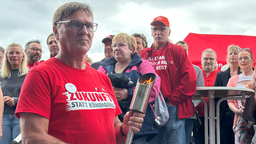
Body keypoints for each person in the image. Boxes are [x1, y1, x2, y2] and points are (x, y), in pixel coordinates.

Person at [15, 2, 144, 144]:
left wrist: (124, 130)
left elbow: (113, 130)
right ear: (56, 31)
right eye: (75, 24)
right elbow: (33, 137)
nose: (84, 31)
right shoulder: (41, 75)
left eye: (89, 26)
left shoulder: (103, 79)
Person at [140, 16, 197, 144]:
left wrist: (173, 100)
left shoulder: (177, 51)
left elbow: (190, 78)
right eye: (155, 29)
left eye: (162, 29)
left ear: (169, 32)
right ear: (151, 32)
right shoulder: (144, 54)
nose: (158, 32)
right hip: (150, 107)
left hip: (171, 105)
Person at [98, 33, 161, 143]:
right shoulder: (104, 67)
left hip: (136, 126)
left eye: (121, 45)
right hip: (110, 126)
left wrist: (129, 93)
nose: (116, 48)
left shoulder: (143, 65)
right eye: (114, 45)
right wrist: (110, 94)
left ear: (131, 48)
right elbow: (94, 89)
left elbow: (153, 88)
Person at [176, 40, 205, 144]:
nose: (182, 52)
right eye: (180, 49)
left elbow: (200, 91)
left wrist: (191, 105)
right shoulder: (169, 69)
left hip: (189, 112)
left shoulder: (196, 70)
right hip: (172, 111)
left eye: (185, 50)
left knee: (187, 139)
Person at [0, 43, 28, 144]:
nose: (14, 55)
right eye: (11, 53)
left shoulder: (29, 75)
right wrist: (2, 99)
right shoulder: (1, 75)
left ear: (23, 56)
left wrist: (15, 100)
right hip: (3, 118)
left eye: (17, 53)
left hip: (21, 117)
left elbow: (32, 97)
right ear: (6, 56)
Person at [214, 44, 241, 144]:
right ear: (227, 57)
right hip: (223, 114)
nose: (233, 55)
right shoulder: (220, 75)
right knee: (224, 140)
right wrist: (215, 116)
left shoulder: (244, 75)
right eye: (230, 53)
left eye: (235, 53)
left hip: (239, 113)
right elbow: (215, 97)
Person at [227, 48, 255, 144]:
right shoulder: (233, 80)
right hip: (241, 118)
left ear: (252, 60)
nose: (242, 60)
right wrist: (237, 111)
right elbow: (230, 101)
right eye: (240, 58)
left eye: (246, 57)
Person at [194, 48, 218, 144]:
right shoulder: (195, 74)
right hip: (197, 116)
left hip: (215, 117)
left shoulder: (220, 75)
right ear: (201, 60)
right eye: (206, 58)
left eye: (211, 59)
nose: (208, 61)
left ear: (215, 60)